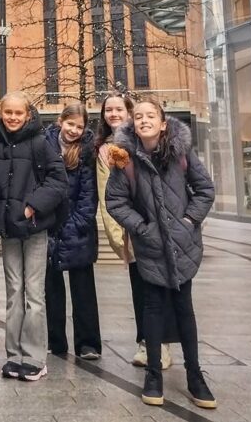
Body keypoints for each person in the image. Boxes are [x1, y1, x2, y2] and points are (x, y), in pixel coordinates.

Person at [105, 98, 217, 409]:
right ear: (133, 124)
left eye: (150, 115)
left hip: (183, 244)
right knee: (152, 308)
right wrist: (142, 229)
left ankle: (195, 375)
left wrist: (188, 221)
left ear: (163, 122)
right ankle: (153, 374)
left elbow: (205, 189)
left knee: (185, 309)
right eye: (138, 116)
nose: (144, 120)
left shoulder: (181, 153)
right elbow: (115, 202)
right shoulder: (125, 159)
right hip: (150, 245)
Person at [0, 92, 68, 382]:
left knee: (34, 294)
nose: (12, 117)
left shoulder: (40, 143)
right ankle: (14, 356)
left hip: (34, 228)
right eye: (7, 112)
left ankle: (34, 357)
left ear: (28, 115)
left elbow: (59, 181)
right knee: (14, 293)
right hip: (10, 230)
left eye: (17, 113)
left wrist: (34, 204)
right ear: (0, 112)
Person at [96, 93, 176, 369]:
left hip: (161, 228)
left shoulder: (148, 142)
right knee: (140, 288)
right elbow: (109, 197)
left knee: (162, 287)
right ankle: (146, 342)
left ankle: (162, 344)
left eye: (119, 109)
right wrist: (119, 237)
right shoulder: (105, 149)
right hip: (134, 230)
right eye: (109, 110)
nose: (114, 114)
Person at [44, 103, 102, 360]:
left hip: (79, 230)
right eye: (70, 124)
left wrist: (76, 223)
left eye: (80, 126)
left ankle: (88, 344)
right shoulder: (44, 145)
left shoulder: (87, 152)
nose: (74, 130)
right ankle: (56, 341)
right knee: (51, 290)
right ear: (60, 121)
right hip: (50, 228)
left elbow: (90, 196)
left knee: (84, 290)